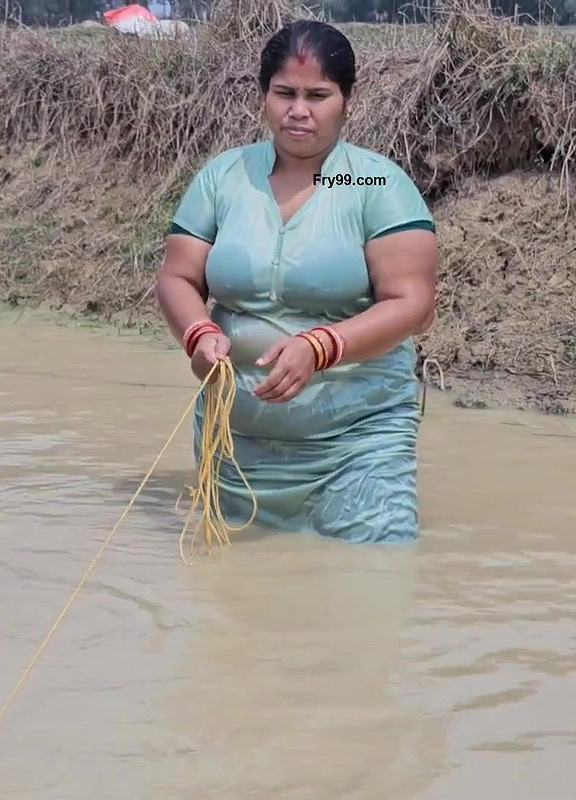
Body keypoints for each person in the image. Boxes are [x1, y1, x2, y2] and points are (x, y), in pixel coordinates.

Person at [155, 20, 440, 545]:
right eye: (285, 93)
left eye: (318, 95)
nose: (299, 110)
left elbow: (414, 304)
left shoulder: (366, 180)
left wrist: (321, 346)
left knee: (376, 573)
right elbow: (177, 276)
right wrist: (198, 334)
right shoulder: (226, 177)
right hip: (235, 442)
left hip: (357, 444)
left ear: (348, 100)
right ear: (263, 96)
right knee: (235, 587)